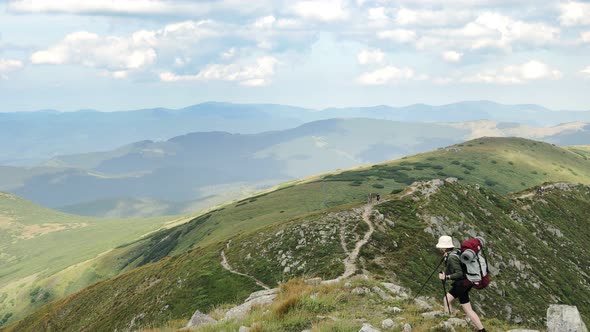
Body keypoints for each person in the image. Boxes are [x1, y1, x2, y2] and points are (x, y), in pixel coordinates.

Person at [436, 235, 486, 332]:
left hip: (462, 285)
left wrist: (446, 277)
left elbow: (459, 273)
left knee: (468, 309)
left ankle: (482, 329)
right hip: (465, 282)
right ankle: (449, 319)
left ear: (444, 247)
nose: (440, 249)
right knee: (446, 300)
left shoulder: (451, 257)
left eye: (441, 247)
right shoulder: (457, 251)